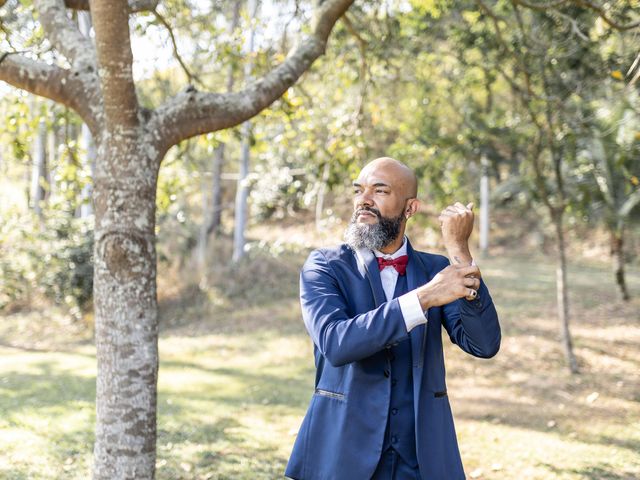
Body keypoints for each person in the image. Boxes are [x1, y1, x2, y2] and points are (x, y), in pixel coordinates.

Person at [285, 157, 501, 480]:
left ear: (410, 208)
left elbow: (484, 344)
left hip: (420, 461)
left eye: (380, 191)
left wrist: (459, 251)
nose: (364, 201)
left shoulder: (434, 269)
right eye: (359, 191)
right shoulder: (325, 266)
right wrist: (424, 298)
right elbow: (336, 342)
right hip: (342, 456)